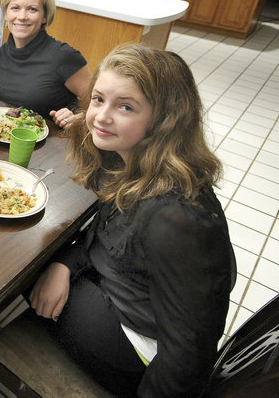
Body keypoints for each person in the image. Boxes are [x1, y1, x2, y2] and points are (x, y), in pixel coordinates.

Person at [28, 43, 236, 397]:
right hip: (113, 288)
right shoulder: (127, 156)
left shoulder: (176, 217)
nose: (101, 116)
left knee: (17, 264)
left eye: (125, 106)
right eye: (98, 99)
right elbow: (106, 232)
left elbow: (190, 352)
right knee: (35, 252)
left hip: (136, 349)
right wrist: (66, 263)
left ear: (164, 119)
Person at [0, 0, 91, 127]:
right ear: (6, 13)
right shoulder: (0, 55)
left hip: (52, 146)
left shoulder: (65, 56)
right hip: (7, 141)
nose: (22, 17)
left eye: (32, 9)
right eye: (15, 8)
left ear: (44, 16)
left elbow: (100, 106)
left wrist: (77, 117)